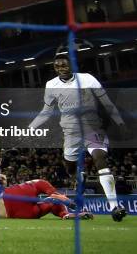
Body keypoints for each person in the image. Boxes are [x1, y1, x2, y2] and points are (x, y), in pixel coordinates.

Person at [28, 53, 128, 221]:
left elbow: (107, 103)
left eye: (64, 65)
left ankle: (114, 207)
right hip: (71, 132)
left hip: (92, 127)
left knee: (100, 158)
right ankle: (79, 177)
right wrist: (31, 127)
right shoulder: (51, 85)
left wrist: (120, 123)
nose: (61, 69)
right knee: (71, 169)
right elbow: (46, 112)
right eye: (57, 66)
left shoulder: (88, 79)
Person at [0, 163, 93, 220]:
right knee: (44, 188)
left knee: (49, 202)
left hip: (19, 214)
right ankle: (65, 208)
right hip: (15, 197)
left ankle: (65, 212)